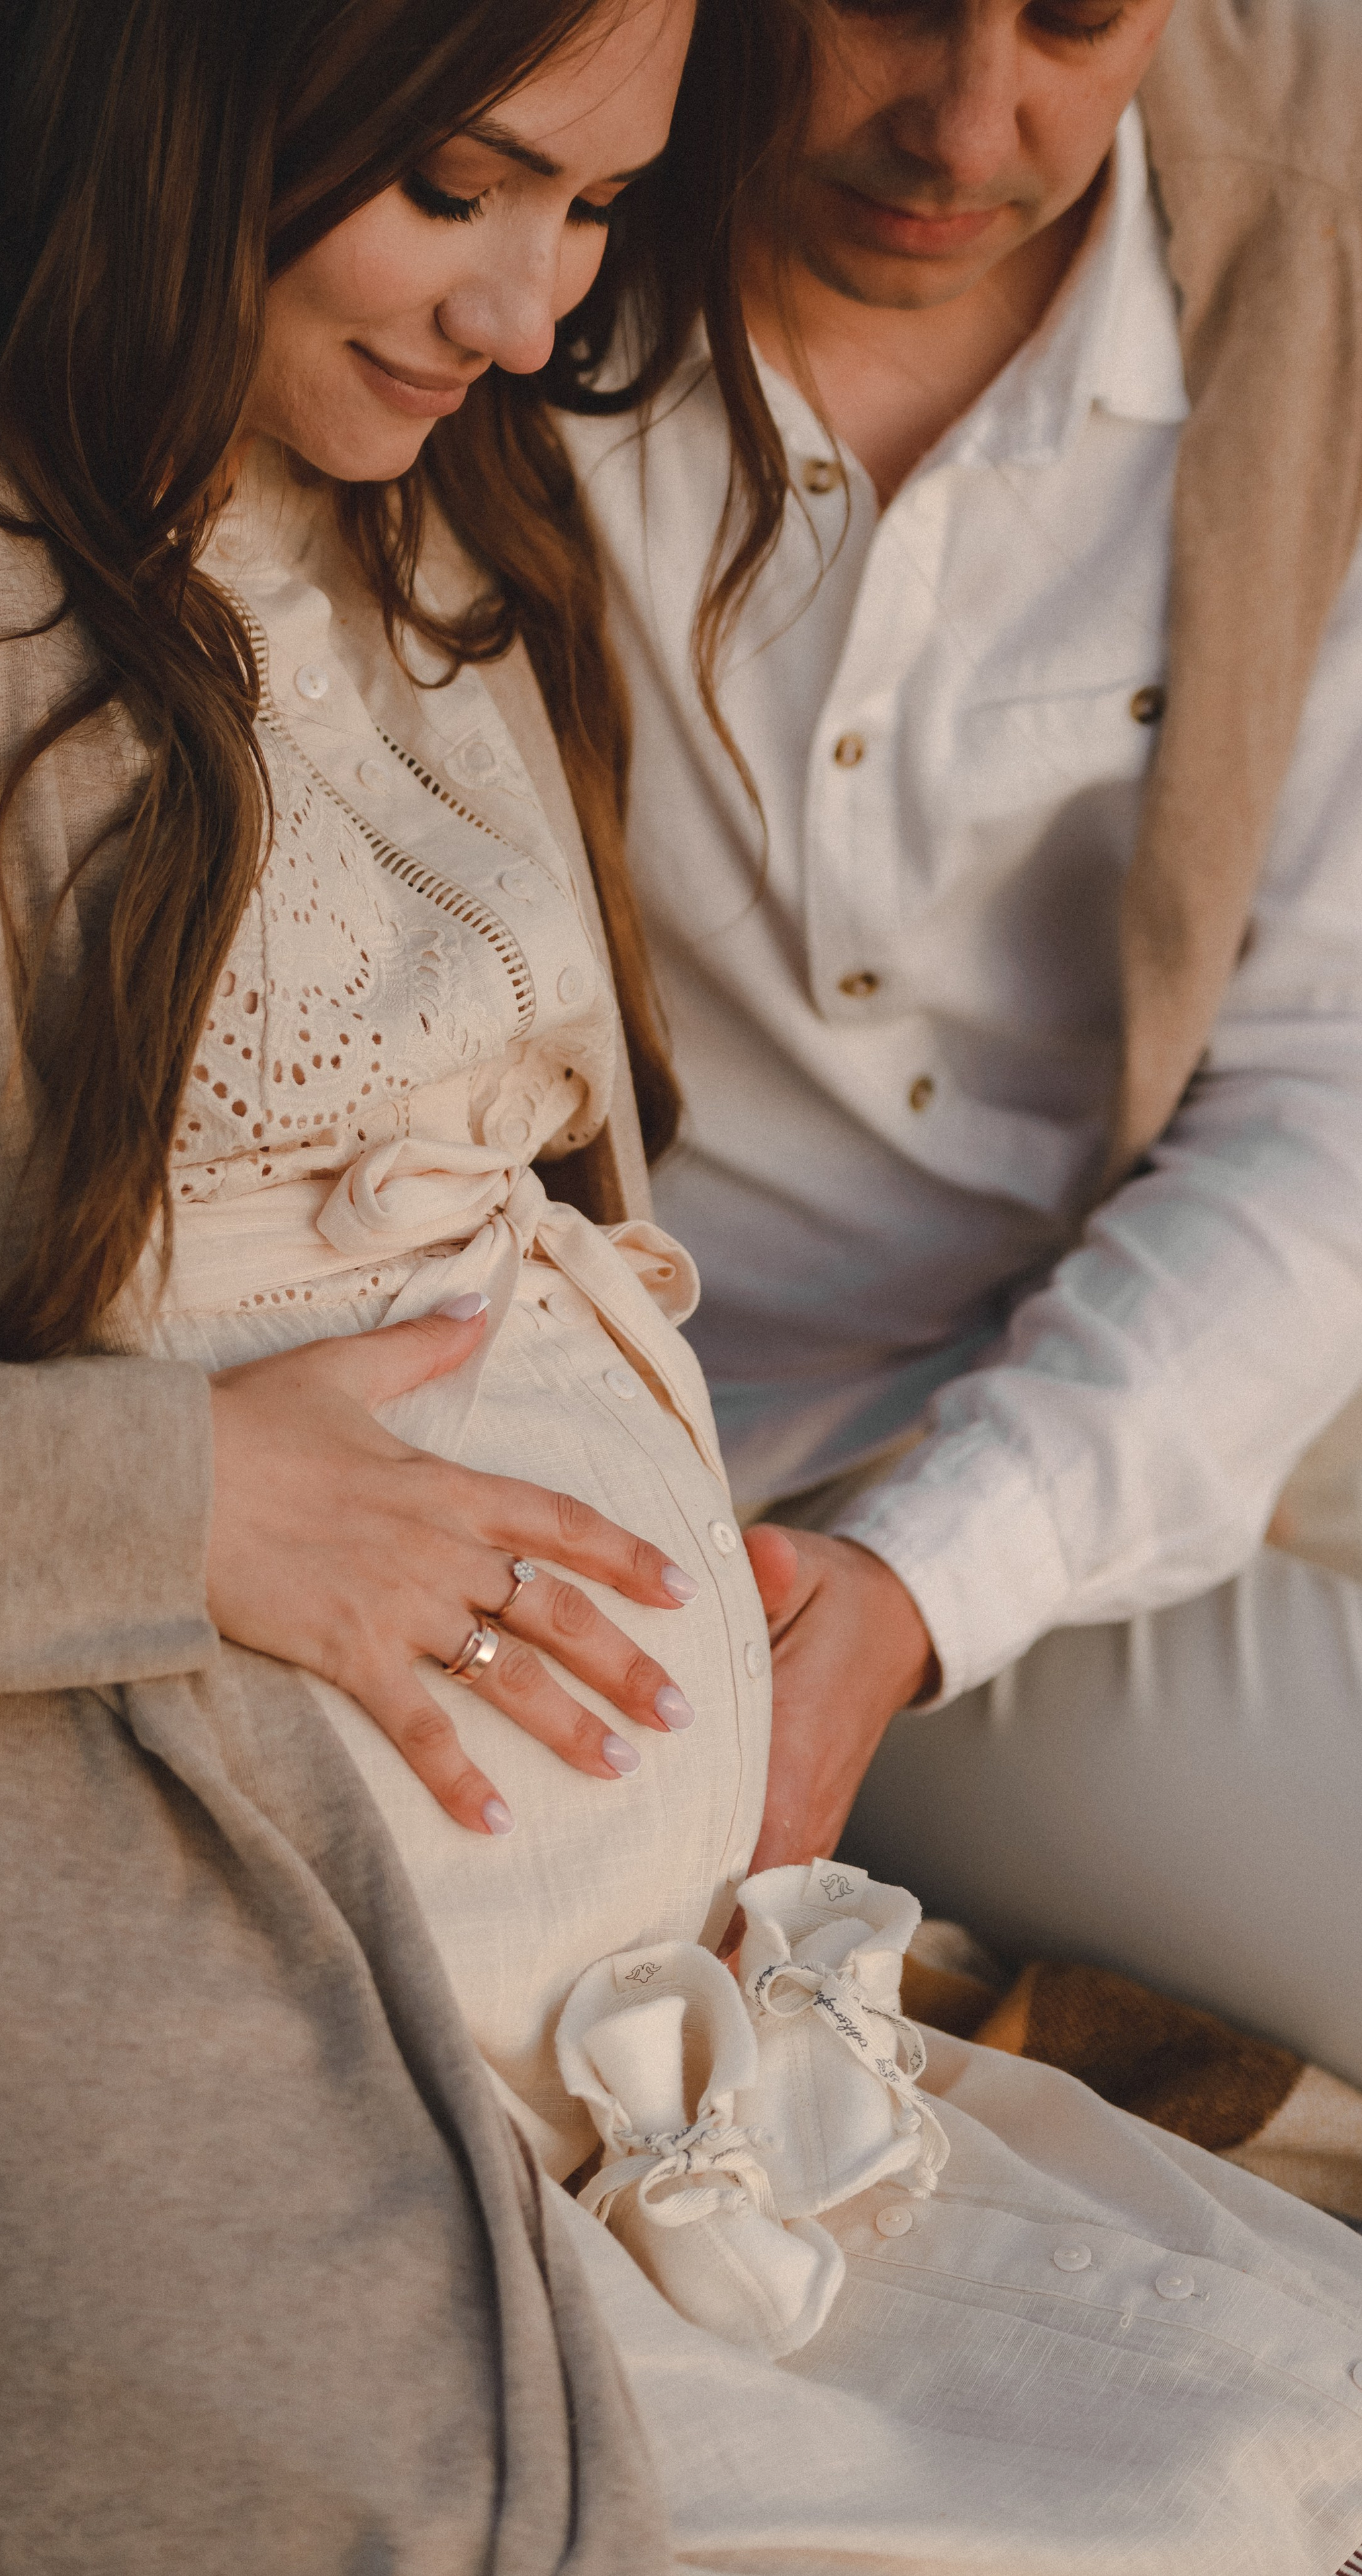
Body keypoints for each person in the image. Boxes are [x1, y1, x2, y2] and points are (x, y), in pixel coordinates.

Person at [0, 2, 1359, 2573]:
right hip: (246, 2008)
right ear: (184, 93)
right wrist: (175, 1501)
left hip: (680, 1958)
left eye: (591, 211)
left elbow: (1323, 1087)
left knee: (1284, 2431)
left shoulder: (410, 491)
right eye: (459, 189)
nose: (535, 310)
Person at [557, 0, 1362, 2090]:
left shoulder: (1322, 241)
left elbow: (1327, 1081)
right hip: (651, 1463)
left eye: (1077, 17)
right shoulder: (492, 191)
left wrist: (939, 1571)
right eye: (895, 0)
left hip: (1112, 1383)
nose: (968, 125)